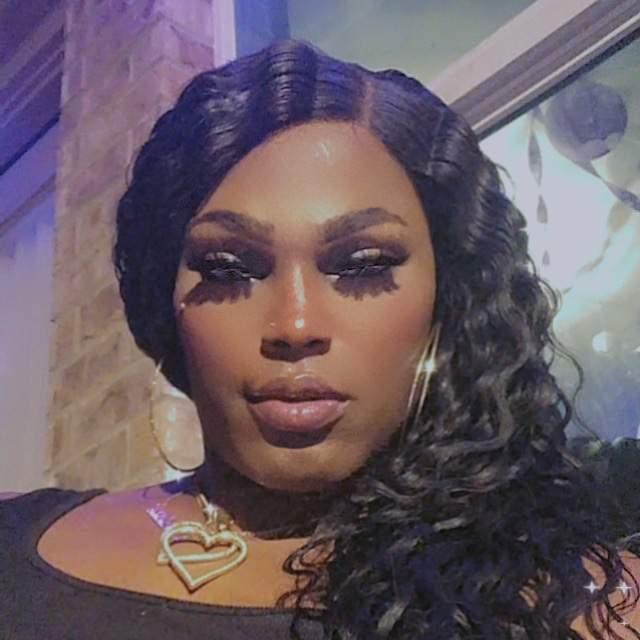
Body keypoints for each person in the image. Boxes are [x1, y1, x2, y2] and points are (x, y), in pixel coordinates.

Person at [1, 38, 639, 640]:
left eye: (362, 265)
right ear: (166, 300)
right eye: (229, 268)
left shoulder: (590, 607)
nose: (295, 326)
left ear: (448, 299)